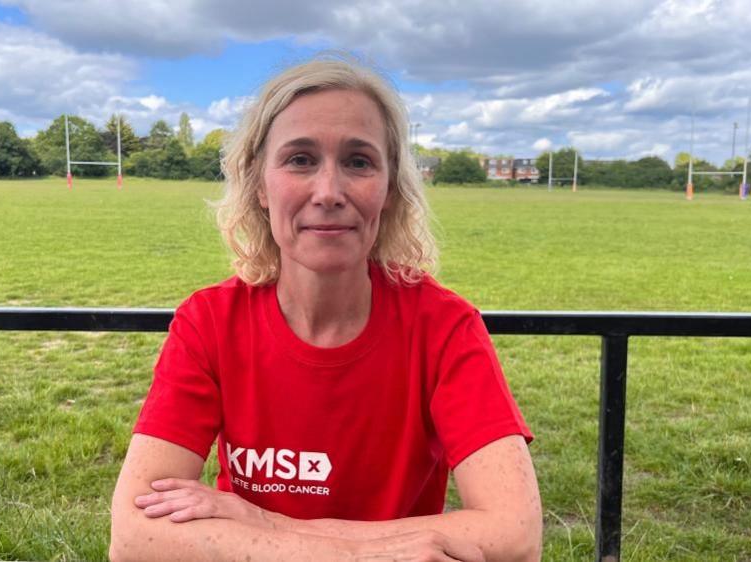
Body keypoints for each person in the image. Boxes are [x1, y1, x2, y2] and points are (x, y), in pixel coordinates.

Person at [110, 57, 542, 561]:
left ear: (390, 188)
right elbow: (134, 537)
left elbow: (515, 536)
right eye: (300, 160)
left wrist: (262, 522)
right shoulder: (210, 322)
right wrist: (360, 554)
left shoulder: (443, 327)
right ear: (259, 186)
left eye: (359, 161)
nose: (329, 192)